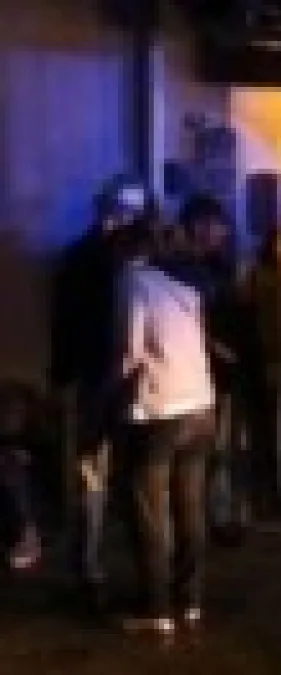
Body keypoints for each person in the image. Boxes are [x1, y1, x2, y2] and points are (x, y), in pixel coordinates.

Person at [49, 176, 150, 612]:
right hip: (101, 381)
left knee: (110, 474)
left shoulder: (107, 258)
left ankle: (103, 565)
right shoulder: (88, 260)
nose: (127, 217)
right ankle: (90, 566)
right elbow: (67, 323)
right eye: (124, 209)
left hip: (119, 381)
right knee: (95, 474)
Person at [112, 217, 216, 635]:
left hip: (160, 409)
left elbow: (130, 350)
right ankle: (190, 601)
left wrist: (110, 392)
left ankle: (156, 608)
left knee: (152, 511)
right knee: (191, 506)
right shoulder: (184, 285)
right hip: (201, 405)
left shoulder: (131, 282)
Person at [173, 195, 252, 546]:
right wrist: (214, 344)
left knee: (223, 448)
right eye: (216, 225)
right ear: (197, 227)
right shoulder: (184, 271)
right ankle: (203, 519)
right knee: (204, 451)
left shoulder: (223, 267)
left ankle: (218, 514)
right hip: (199, 373)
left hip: (225, 373)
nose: (222, 232)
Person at [0, 383, 40, 570]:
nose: (14, 417)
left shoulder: (30, 437)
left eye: (19, 412)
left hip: (20, 483)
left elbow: (37, 460)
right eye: (10, 412)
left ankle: (26, 535)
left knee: (17, 476)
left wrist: (24, 457)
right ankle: (23, 535)